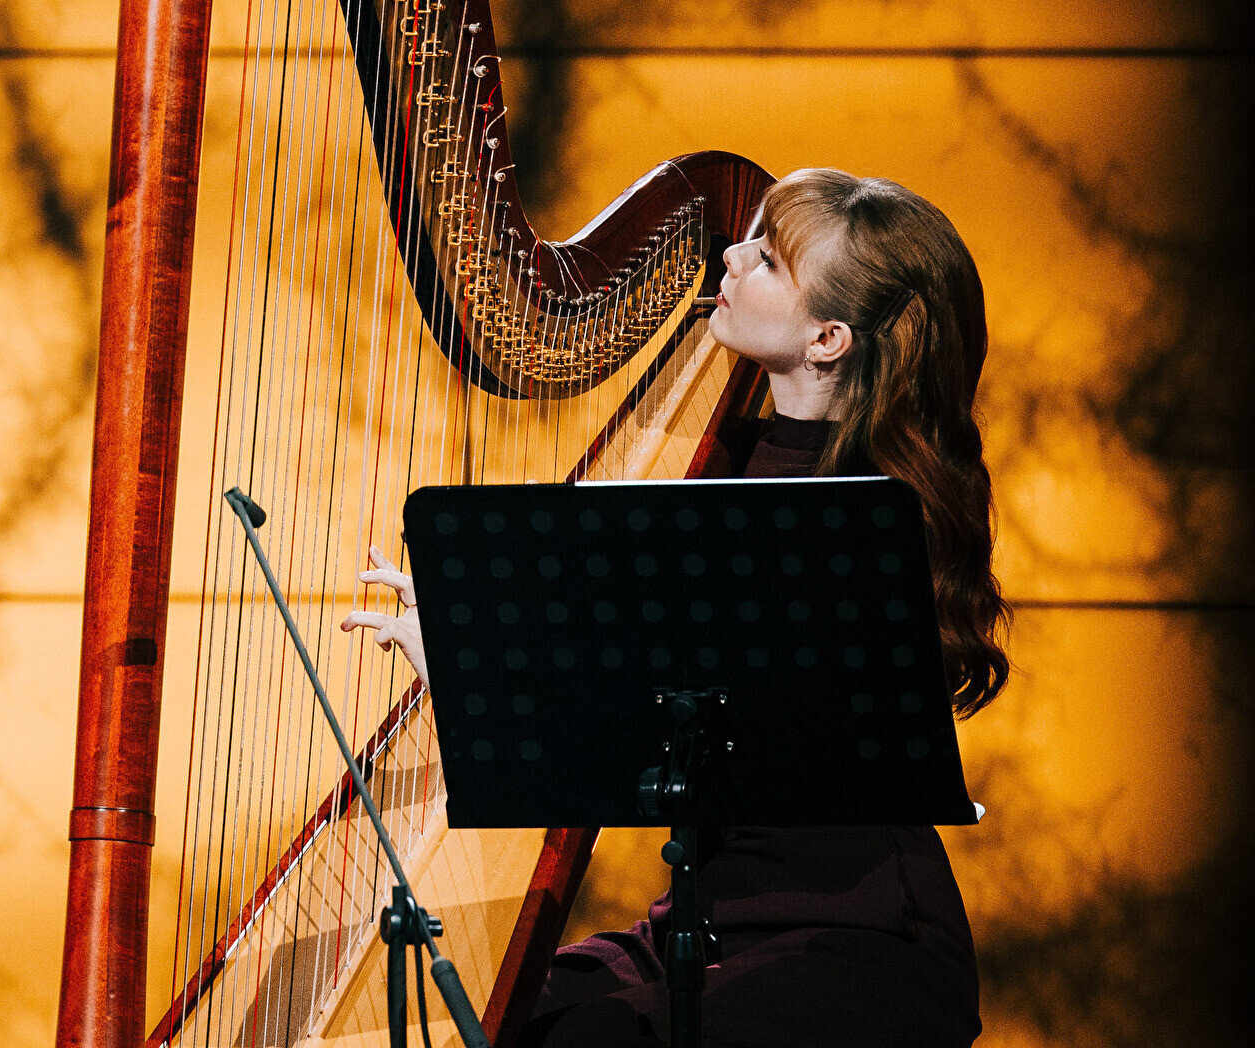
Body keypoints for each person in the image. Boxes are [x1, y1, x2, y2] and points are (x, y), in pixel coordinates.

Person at [340, 168, 1009, 1048]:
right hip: (713, 919)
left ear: (827, 339)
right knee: (471, 1018)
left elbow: (660, 737)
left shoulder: (850, 517)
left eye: (766, 260)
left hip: (855, 941)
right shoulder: (734, 458)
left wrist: (479, 685)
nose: (729, 257)